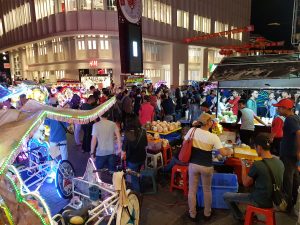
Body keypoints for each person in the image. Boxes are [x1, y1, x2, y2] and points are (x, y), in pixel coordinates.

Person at [223, 133, 284, 221]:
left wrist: (243, 165)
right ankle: (250, 214)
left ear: (258, 147)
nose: (255, 150)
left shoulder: (258, 164)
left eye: (255, 148)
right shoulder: (279, 162)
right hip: (275, 200)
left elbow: (245, 183)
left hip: (261, 201)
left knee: (226, 196)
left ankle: (240, 217)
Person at [186, 113, 232, 222]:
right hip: (206, 167)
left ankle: (192, 214)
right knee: (207, 190)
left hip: (193, 165)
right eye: (211, 121)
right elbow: (223, 153)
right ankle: (207, 213)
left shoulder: (192, 130)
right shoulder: (213, 137)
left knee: (192, 191)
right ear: (208, 123)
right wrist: (229, 150)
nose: (213, 122)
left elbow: (185, 142)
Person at [274, 98, 300, 212]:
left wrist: (298, 151)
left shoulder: (290, 119)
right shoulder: (296, 117)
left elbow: (299, 133)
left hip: (289, 154)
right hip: (291, 153)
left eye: (279, 108)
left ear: (285, 108)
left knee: (288, 179)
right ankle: (293, 202)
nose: (277, 109)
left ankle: (287, 205)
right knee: (294, 177)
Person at [122, 114, 147, 192]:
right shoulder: (143, 131)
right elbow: (146, 144)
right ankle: (142, 188)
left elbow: (124, 149)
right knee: (139, 174)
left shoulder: (127, 133)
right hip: (142, 157)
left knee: (134, 179)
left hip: (133, 160)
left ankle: (137, 196)